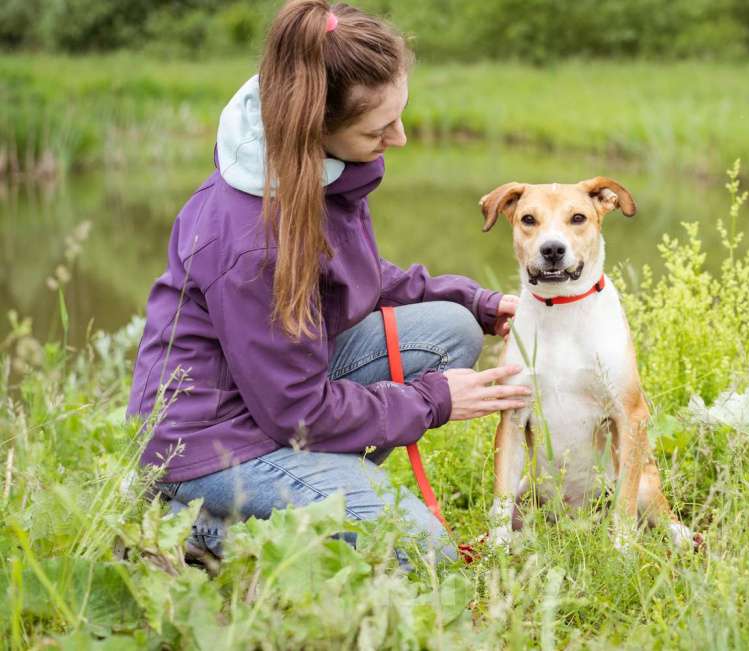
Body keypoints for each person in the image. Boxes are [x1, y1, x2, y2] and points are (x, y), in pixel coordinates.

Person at [126, 0, 531, 563]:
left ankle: (317, 488)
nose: (400, 137)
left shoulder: (321, 172)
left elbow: (357, 278)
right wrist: (431, 400)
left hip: (268, 400)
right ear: (317, 125)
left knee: (450, 328)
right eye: (379, 127)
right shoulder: (252, 243)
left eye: (399, 114)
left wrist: (479, 301)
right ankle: (188, 527)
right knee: (419, 550)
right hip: (211, 443)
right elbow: (297, 412)